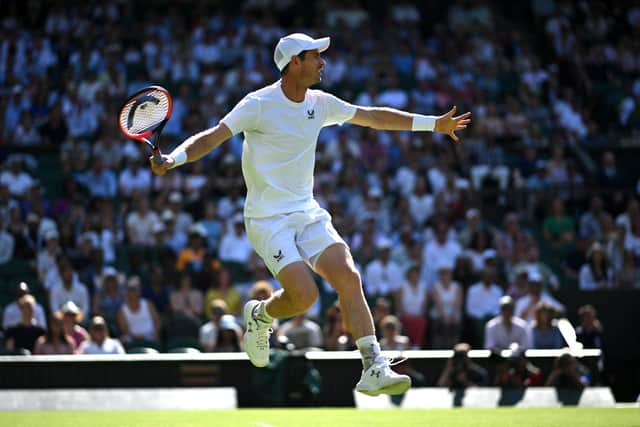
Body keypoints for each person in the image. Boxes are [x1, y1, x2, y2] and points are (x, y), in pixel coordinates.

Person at [150, 33, 471, 396]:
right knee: (304, 297)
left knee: (348, 275)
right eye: (315, 56)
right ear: (294, 63)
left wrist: (434, 124)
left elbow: (373, 117)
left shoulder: (320, 102)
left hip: (306, 211)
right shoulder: (257, 104)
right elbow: (212, 137)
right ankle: (261, 316)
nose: (323, 62)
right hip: (267, 220)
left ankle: (373, 365)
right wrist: (172, 159)